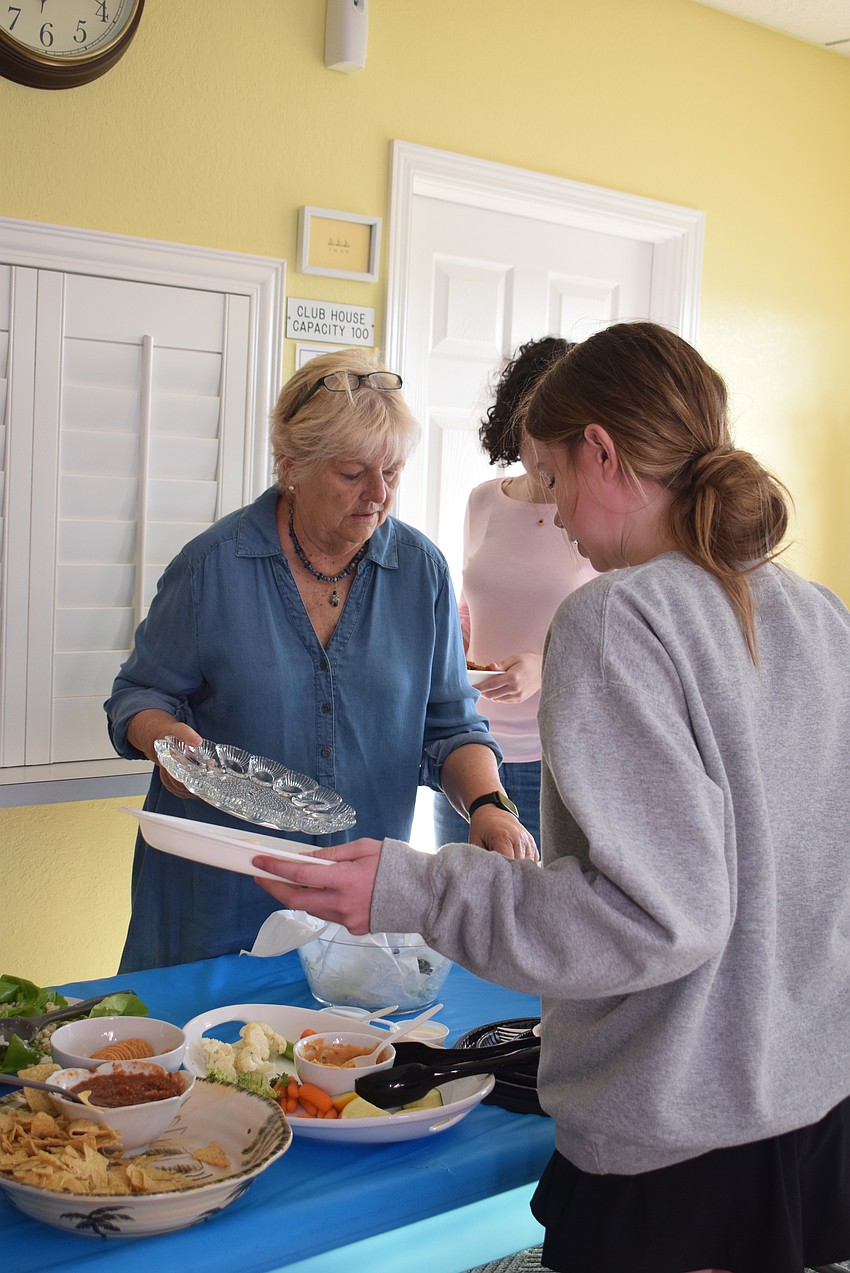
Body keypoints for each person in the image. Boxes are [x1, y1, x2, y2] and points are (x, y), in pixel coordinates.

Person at [253, 322, 850, 1273]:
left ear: (601, 450)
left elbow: (655, 919)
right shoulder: (819, 613)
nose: (557, 514)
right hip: (813, 1118)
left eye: (556, 478)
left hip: (675, 1146)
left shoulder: (618, 618)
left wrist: (413, 888)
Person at [105, 348, 537, 973]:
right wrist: (169, 743)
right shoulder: (211, 568)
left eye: (392, 471)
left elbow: (451, 726)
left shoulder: (422, 574)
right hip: (218, 894)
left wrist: (489, 805)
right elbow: (137, 696)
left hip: (352, 901)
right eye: (353, 472)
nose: (379, 494)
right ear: (292, 465)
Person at [433, 337, 596, 849]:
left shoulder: (596, 514)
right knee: (455, 917)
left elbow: (617, 634)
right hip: (470, 750)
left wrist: (546, 665)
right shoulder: (483, 500)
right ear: (517, 422)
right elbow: (471, 602)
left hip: (556, 757)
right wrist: (454, 645)